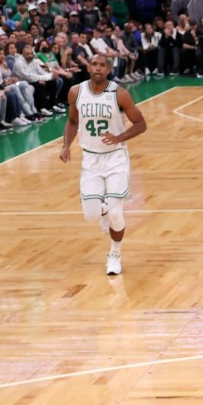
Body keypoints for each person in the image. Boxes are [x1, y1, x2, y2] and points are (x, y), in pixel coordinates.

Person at [59, 54, 147, 275]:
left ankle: (114, 255)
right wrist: (66, 145)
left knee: (117, 213)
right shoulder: (76, 92)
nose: (98, 68)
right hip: (90, 158)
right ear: (88, 68)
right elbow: (72, 121)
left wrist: (120, 137)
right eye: (94, 64)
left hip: (115, 157)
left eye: (102, 65)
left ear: (108, 70)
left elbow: (141, 123)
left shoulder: (119, 94)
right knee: (91, 215)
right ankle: (103, 212)